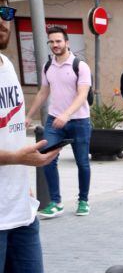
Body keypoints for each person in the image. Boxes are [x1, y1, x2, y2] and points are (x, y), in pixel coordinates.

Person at [0, 0, 83, 273]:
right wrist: (18, 157)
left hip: (18, 207)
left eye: (6, 11)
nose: (2, 20)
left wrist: (27, 157)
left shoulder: (7, 66)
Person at [24, 25, 92, 219]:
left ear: (66, 43)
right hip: (54, 120)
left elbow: (82, 95)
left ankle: (83, 201)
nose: (55, 45)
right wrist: (29, 115)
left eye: (58, 41)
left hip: (79, 121)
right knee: (47, 159)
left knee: (82, 163)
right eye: (52, 42)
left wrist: (67, 114)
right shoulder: (48, 66)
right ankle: (56, 202)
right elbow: (43, 92)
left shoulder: (80, 66)